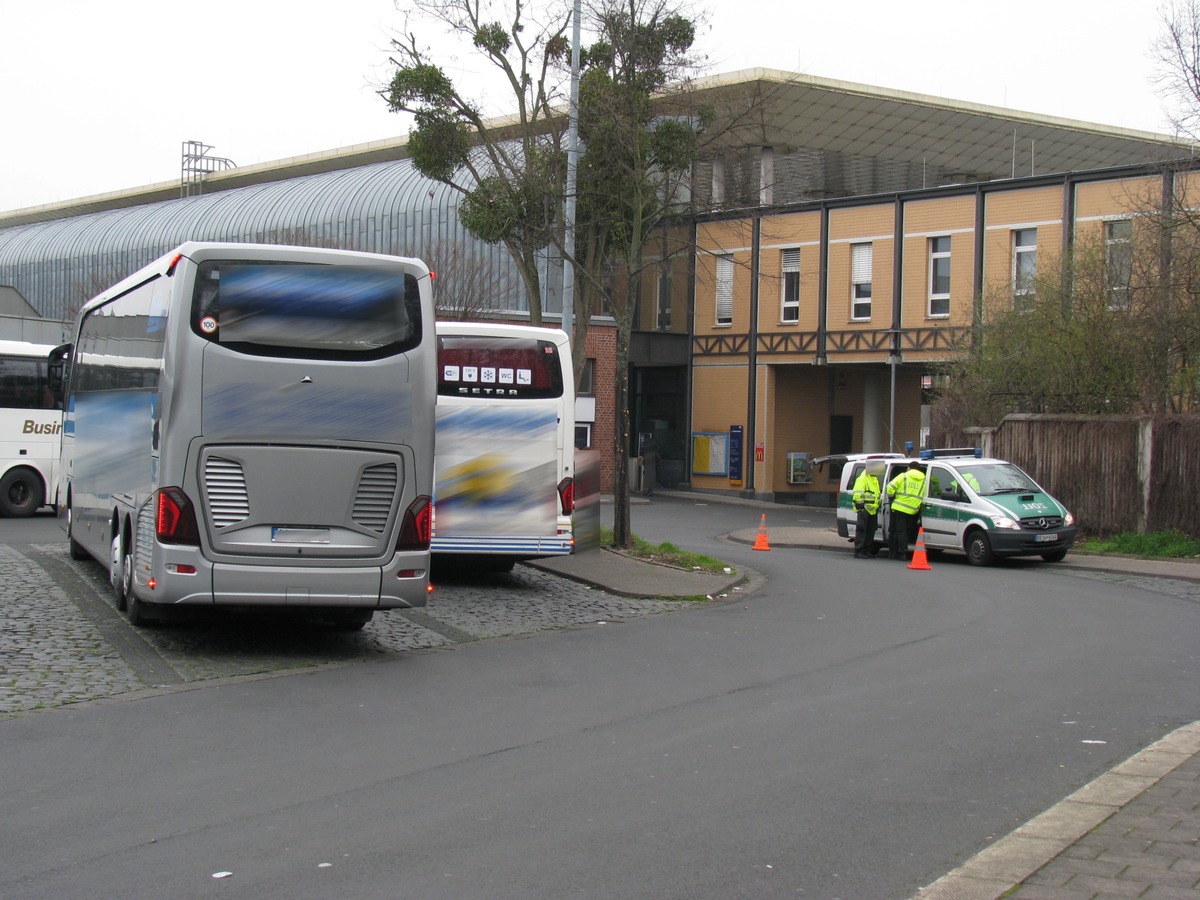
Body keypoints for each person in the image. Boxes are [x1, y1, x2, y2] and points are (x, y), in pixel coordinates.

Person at [886, 460, 926, 560]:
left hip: (899, 507)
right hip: (913, 509)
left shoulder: (904, 476)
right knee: (907, 531)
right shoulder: (924, 479)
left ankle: (901, 553)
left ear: (909, 468)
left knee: (899, 531)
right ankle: (900, 552)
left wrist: (891, 498)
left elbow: (889, 487)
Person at [851, 464, 882, 558]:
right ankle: (858, 550)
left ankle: (866, 550)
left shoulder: (874, 479)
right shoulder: (862, 479)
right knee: (862, 530)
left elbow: (877, 494)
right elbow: (857, 493)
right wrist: (861, 506)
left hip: (873, 509)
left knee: (870, 531)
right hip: (864, 509)